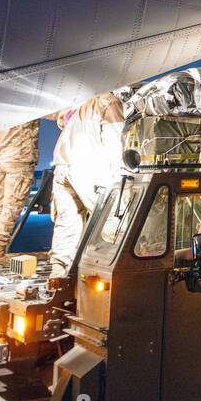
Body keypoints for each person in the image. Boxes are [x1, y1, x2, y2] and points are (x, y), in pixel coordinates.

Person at [49, 91, 125, 280]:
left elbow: (61, 120)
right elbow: (113, 142)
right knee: (109, 218)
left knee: (67, 222)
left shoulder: (76, 101)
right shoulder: (110, 101)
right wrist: (118, 177)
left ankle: (58, 274)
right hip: (87, 164)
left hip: (62, 166)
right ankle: (113, 269)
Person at [0, 119, 40, 262]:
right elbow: (56, 114)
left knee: (2, 204)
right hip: (20, 156)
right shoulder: (29, 100)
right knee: (13, 205)